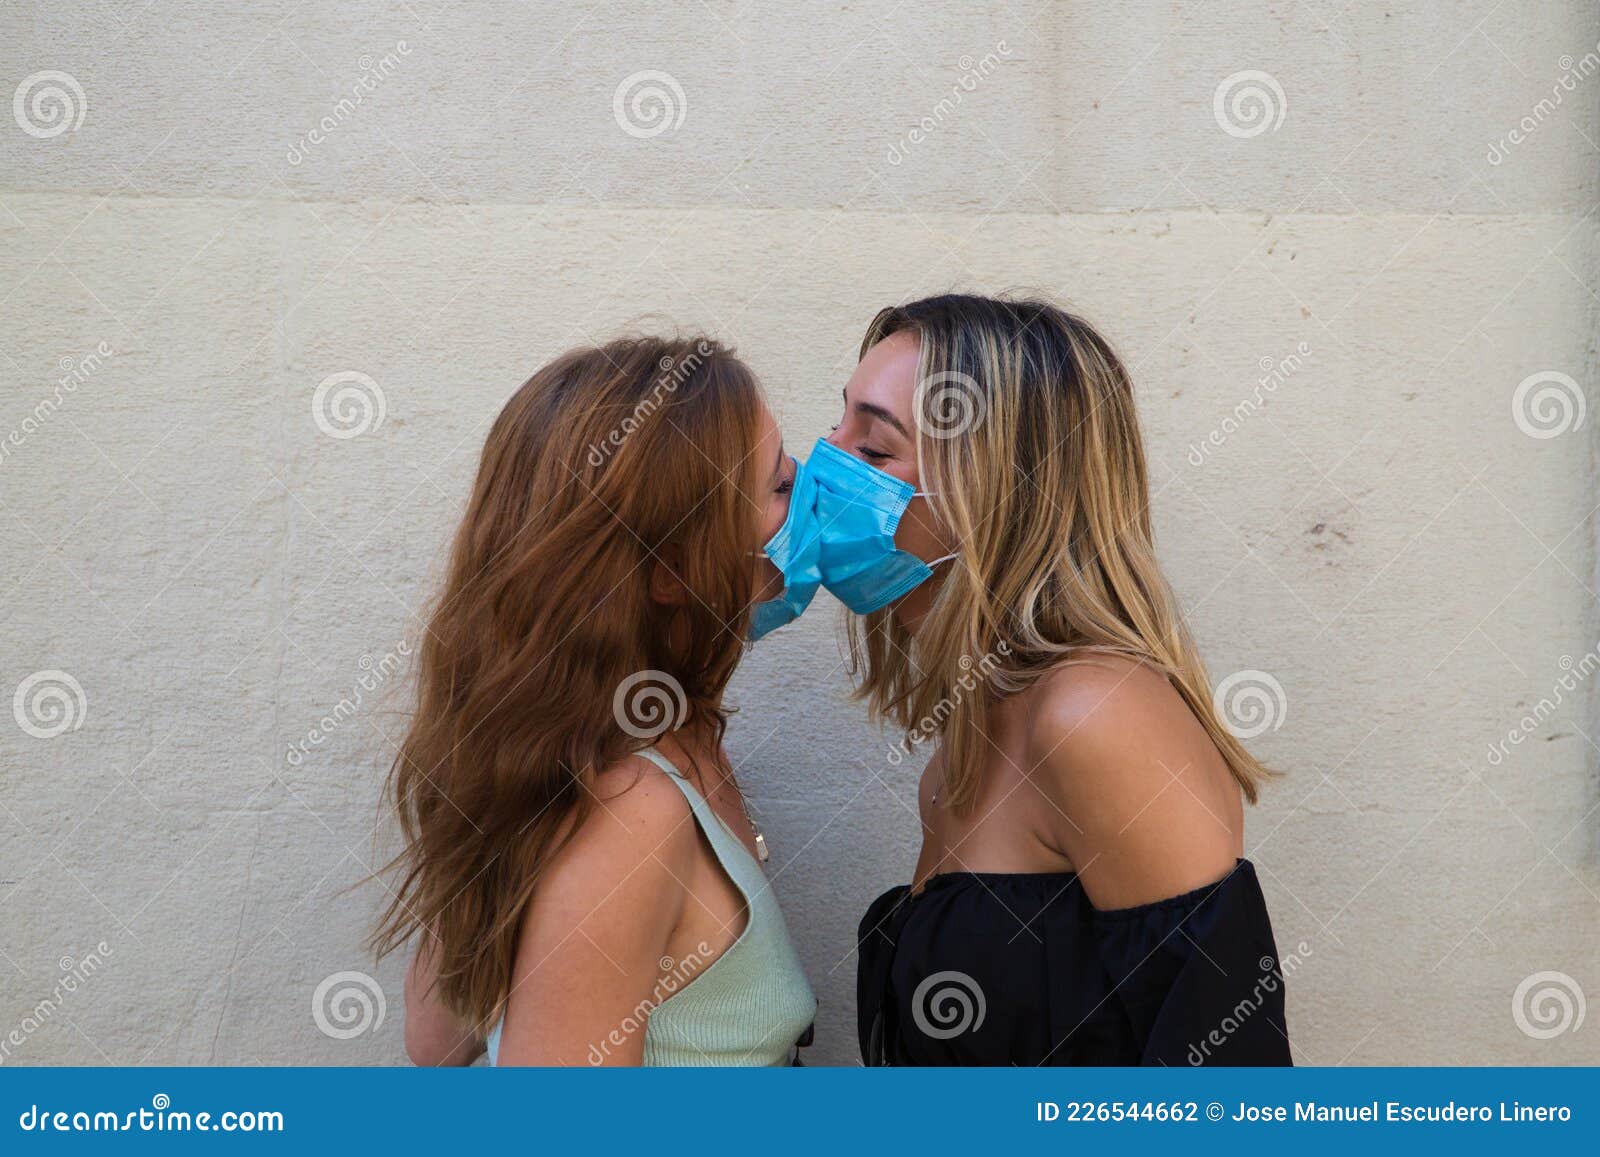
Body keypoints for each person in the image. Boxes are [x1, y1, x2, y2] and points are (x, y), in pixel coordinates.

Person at [815, 294, 1292, 1065]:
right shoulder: (979, 723)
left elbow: (1226, 1090)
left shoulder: (1091, 715)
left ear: (999, 493)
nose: (822, 466)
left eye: (872, 451)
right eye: (837, 426)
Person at [372, 334, 819, 1066]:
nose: (810, 507)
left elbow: (437, 1038)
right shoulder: (631, 808)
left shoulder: (641, 741)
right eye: (778, 487)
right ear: (671, 572)